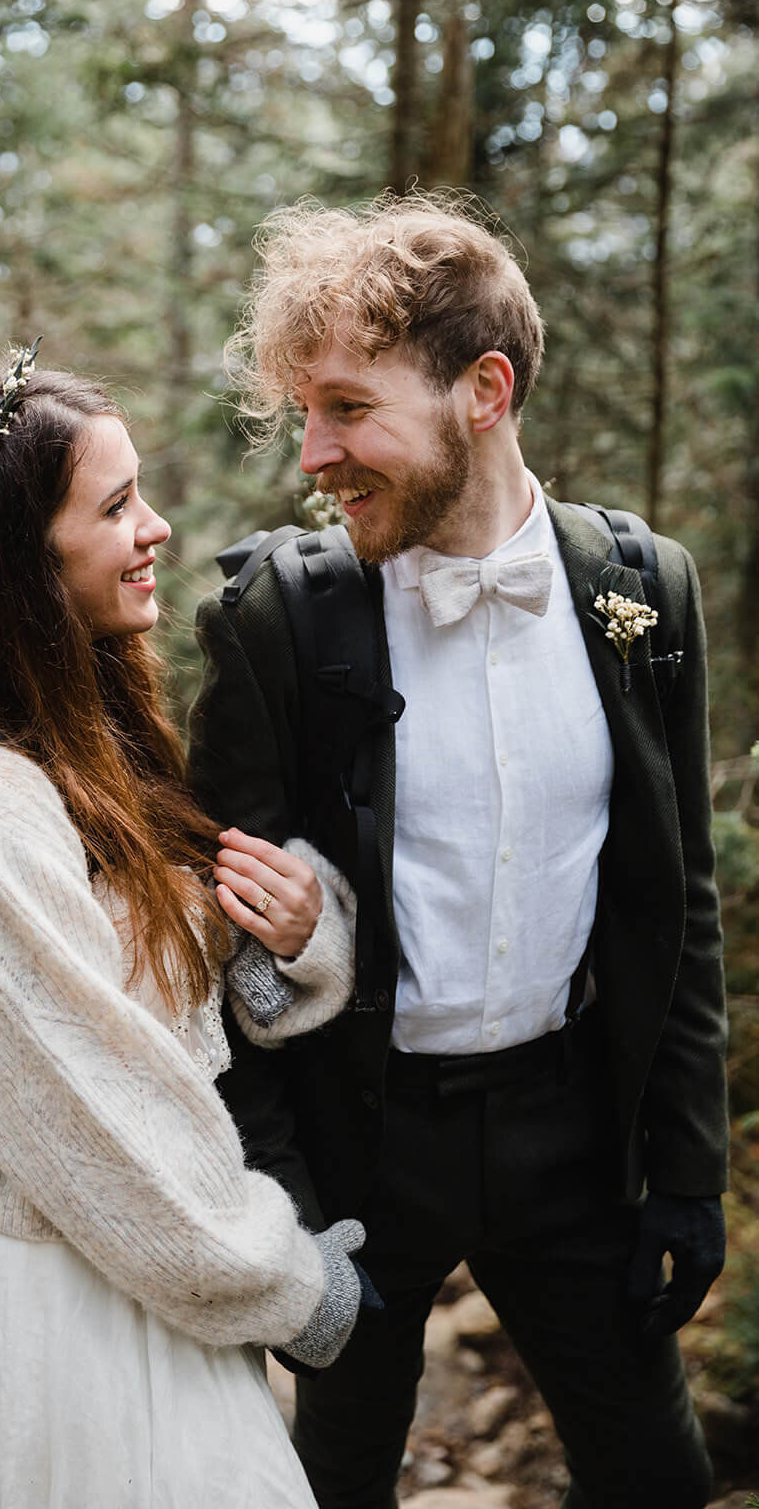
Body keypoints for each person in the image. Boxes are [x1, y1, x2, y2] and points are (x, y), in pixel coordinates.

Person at [189, 194, 729, 1509]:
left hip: (572, 1135)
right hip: (358, 1147)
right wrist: (284, 1206)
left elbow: (679, 899)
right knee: (332, 1487)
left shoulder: (640, 591)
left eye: (346, 409)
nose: (312, 452)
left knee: (653, 1478)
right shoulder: (279, 618)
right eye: (303, 415)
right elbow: (212, 941)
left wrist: (686, 1168)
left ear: (481, 391)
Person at [0, 344, 366, 1509]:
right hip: (52, 1319)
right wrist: (286, 1280)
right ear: (18, 559)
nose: (158, 527)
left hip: (152, 1285)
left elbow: (155, 978)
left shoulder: (71, 737)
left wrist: (291, 938)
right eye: (117, 504)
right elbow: (93, 1111)